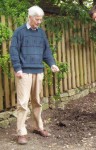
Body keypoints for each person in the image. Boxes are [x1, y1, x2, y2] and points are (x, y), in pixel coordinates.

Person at [10, 6, 59, 144]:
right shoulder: (19, 32)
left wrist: (52, 64)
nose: (39, 22)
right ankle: (21, 132)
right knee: (23, 103)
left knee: (37, 101)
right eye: (37, 19)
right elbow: (13, 51)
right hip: (23, 73)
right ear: (30, 17)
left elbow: (46, 51)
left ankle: (38, 127)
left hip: (38, 71)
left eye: (40, 20)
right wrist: (17, 68)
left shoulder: (41, 33)